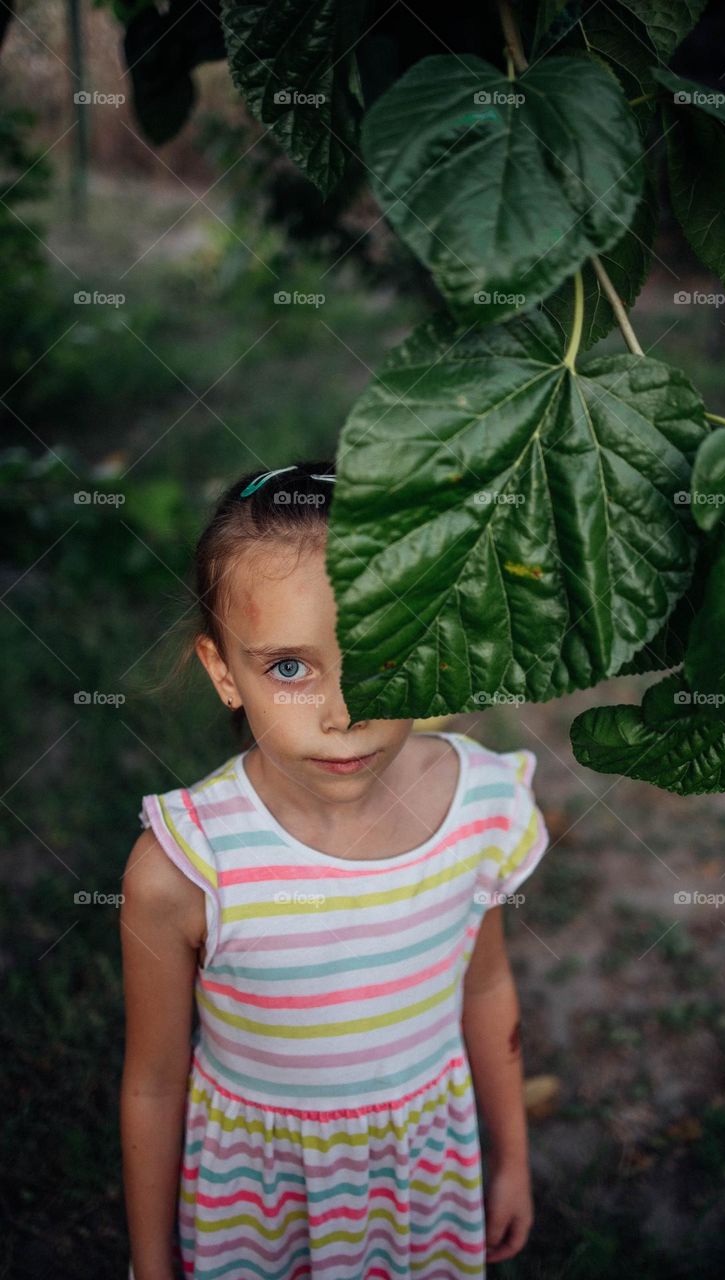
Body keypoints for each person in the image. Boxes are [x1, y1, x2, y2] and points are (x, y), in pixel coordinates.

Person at [120, 459, 551, 1280]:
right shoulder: (183, 870)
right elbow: (150, 1081)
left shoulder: (481, 810)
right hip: (259, 1200)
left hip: (423, 1186)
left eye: (377, 651)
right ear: (223, 673)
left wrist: (511, 1160)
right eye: (289, 667)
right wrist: (150, 1262)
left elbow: (486, 987)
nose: (342, 712)